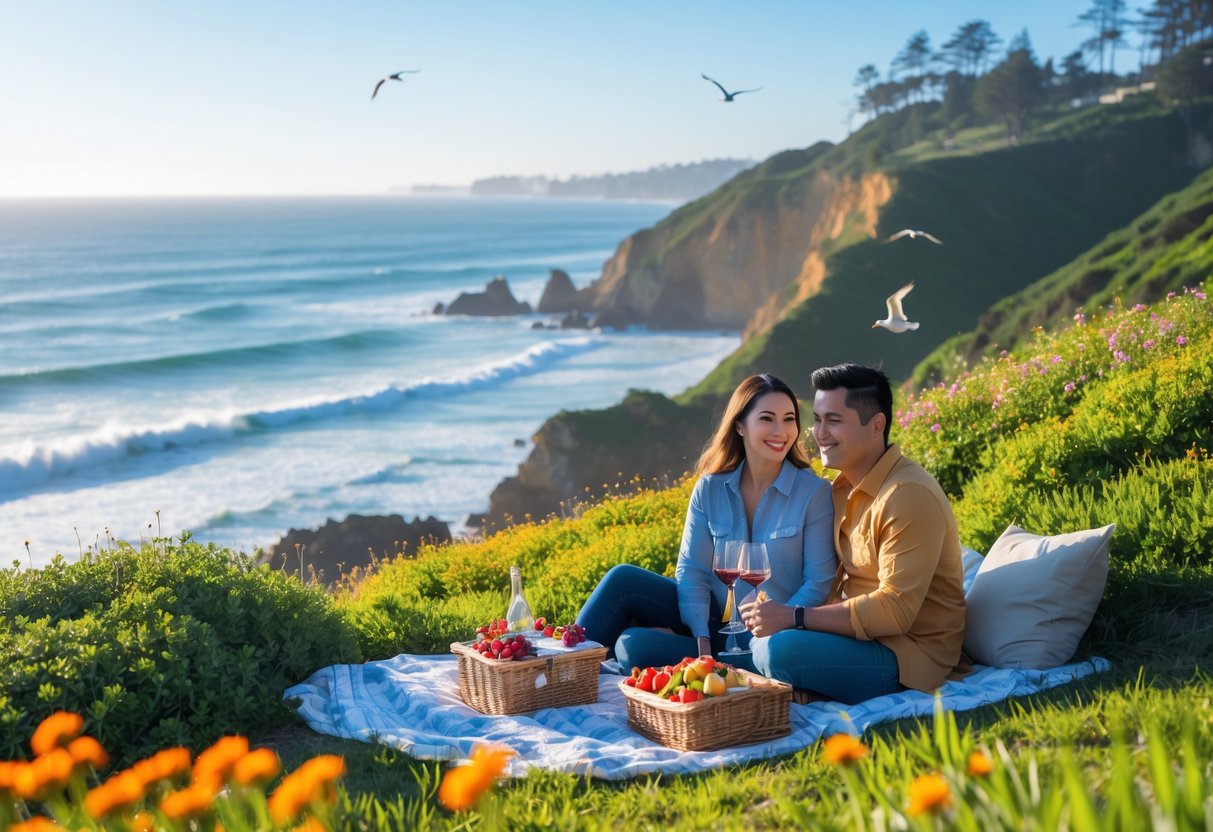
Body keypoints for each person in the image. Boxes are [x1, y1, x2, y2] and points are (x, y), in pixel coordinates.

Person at [576, 373, 836, 672]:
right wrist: (701, 639)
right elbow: (693, 571)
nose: (781, 431)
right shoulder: (709, 489)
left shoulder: (814, 492)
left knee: (633, 646)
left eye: (789, 419)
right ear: (739, 425)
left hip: (770, 635)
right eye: (767, 418)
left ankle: (695, 653)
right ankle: (557, 669)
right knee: (622, 580)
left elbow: (818, 582)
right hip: (714, 618)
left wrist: (777, 619)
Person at [739, 363, 966, 704]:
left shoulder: (907, 494)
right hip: (858, 639)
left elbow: (896, 611)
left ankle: (797, 675)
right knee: (755, 641)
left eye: (833, 421)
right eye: (816, 419)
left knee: (777, 651)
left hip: (908, 656)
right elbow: (831, 582)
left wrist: (795, 617)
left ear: (877, 426)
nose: (819, 433)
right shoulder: (842, 488)